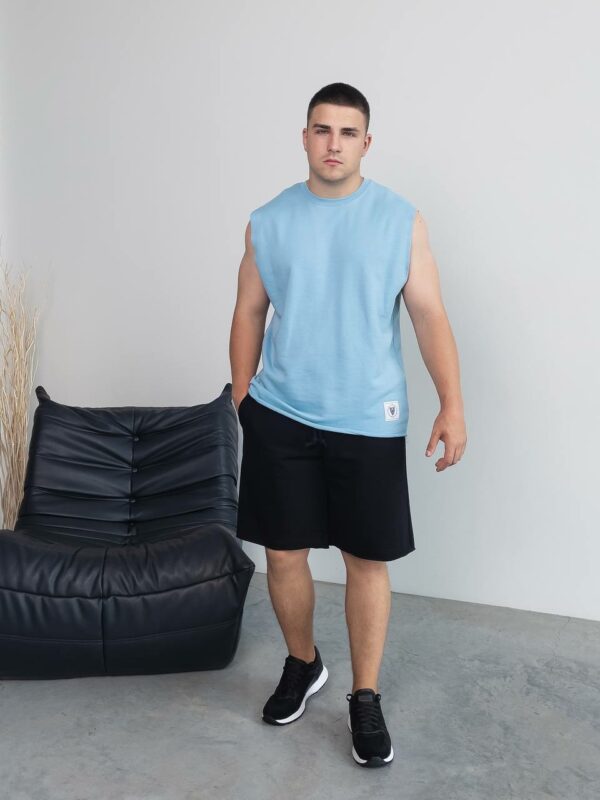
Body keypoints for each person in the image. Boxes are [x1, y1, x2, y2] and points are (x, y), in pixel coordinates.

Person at [228, 82, 467, 768]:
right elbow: (248, 312)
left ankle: (365, 696)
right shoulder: (268, 221)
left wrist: (451, 403)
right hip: (281, 412)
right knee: (282, 554)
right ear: (305, 137)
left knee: (366, 559)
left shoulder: (399, 220)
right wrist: (245, 401)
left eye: (348, 132)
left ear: (367, 142)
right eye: (322, 129)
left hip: (368, 417)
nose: (334, 143)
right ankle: (303, 663)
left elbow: (428, 315)